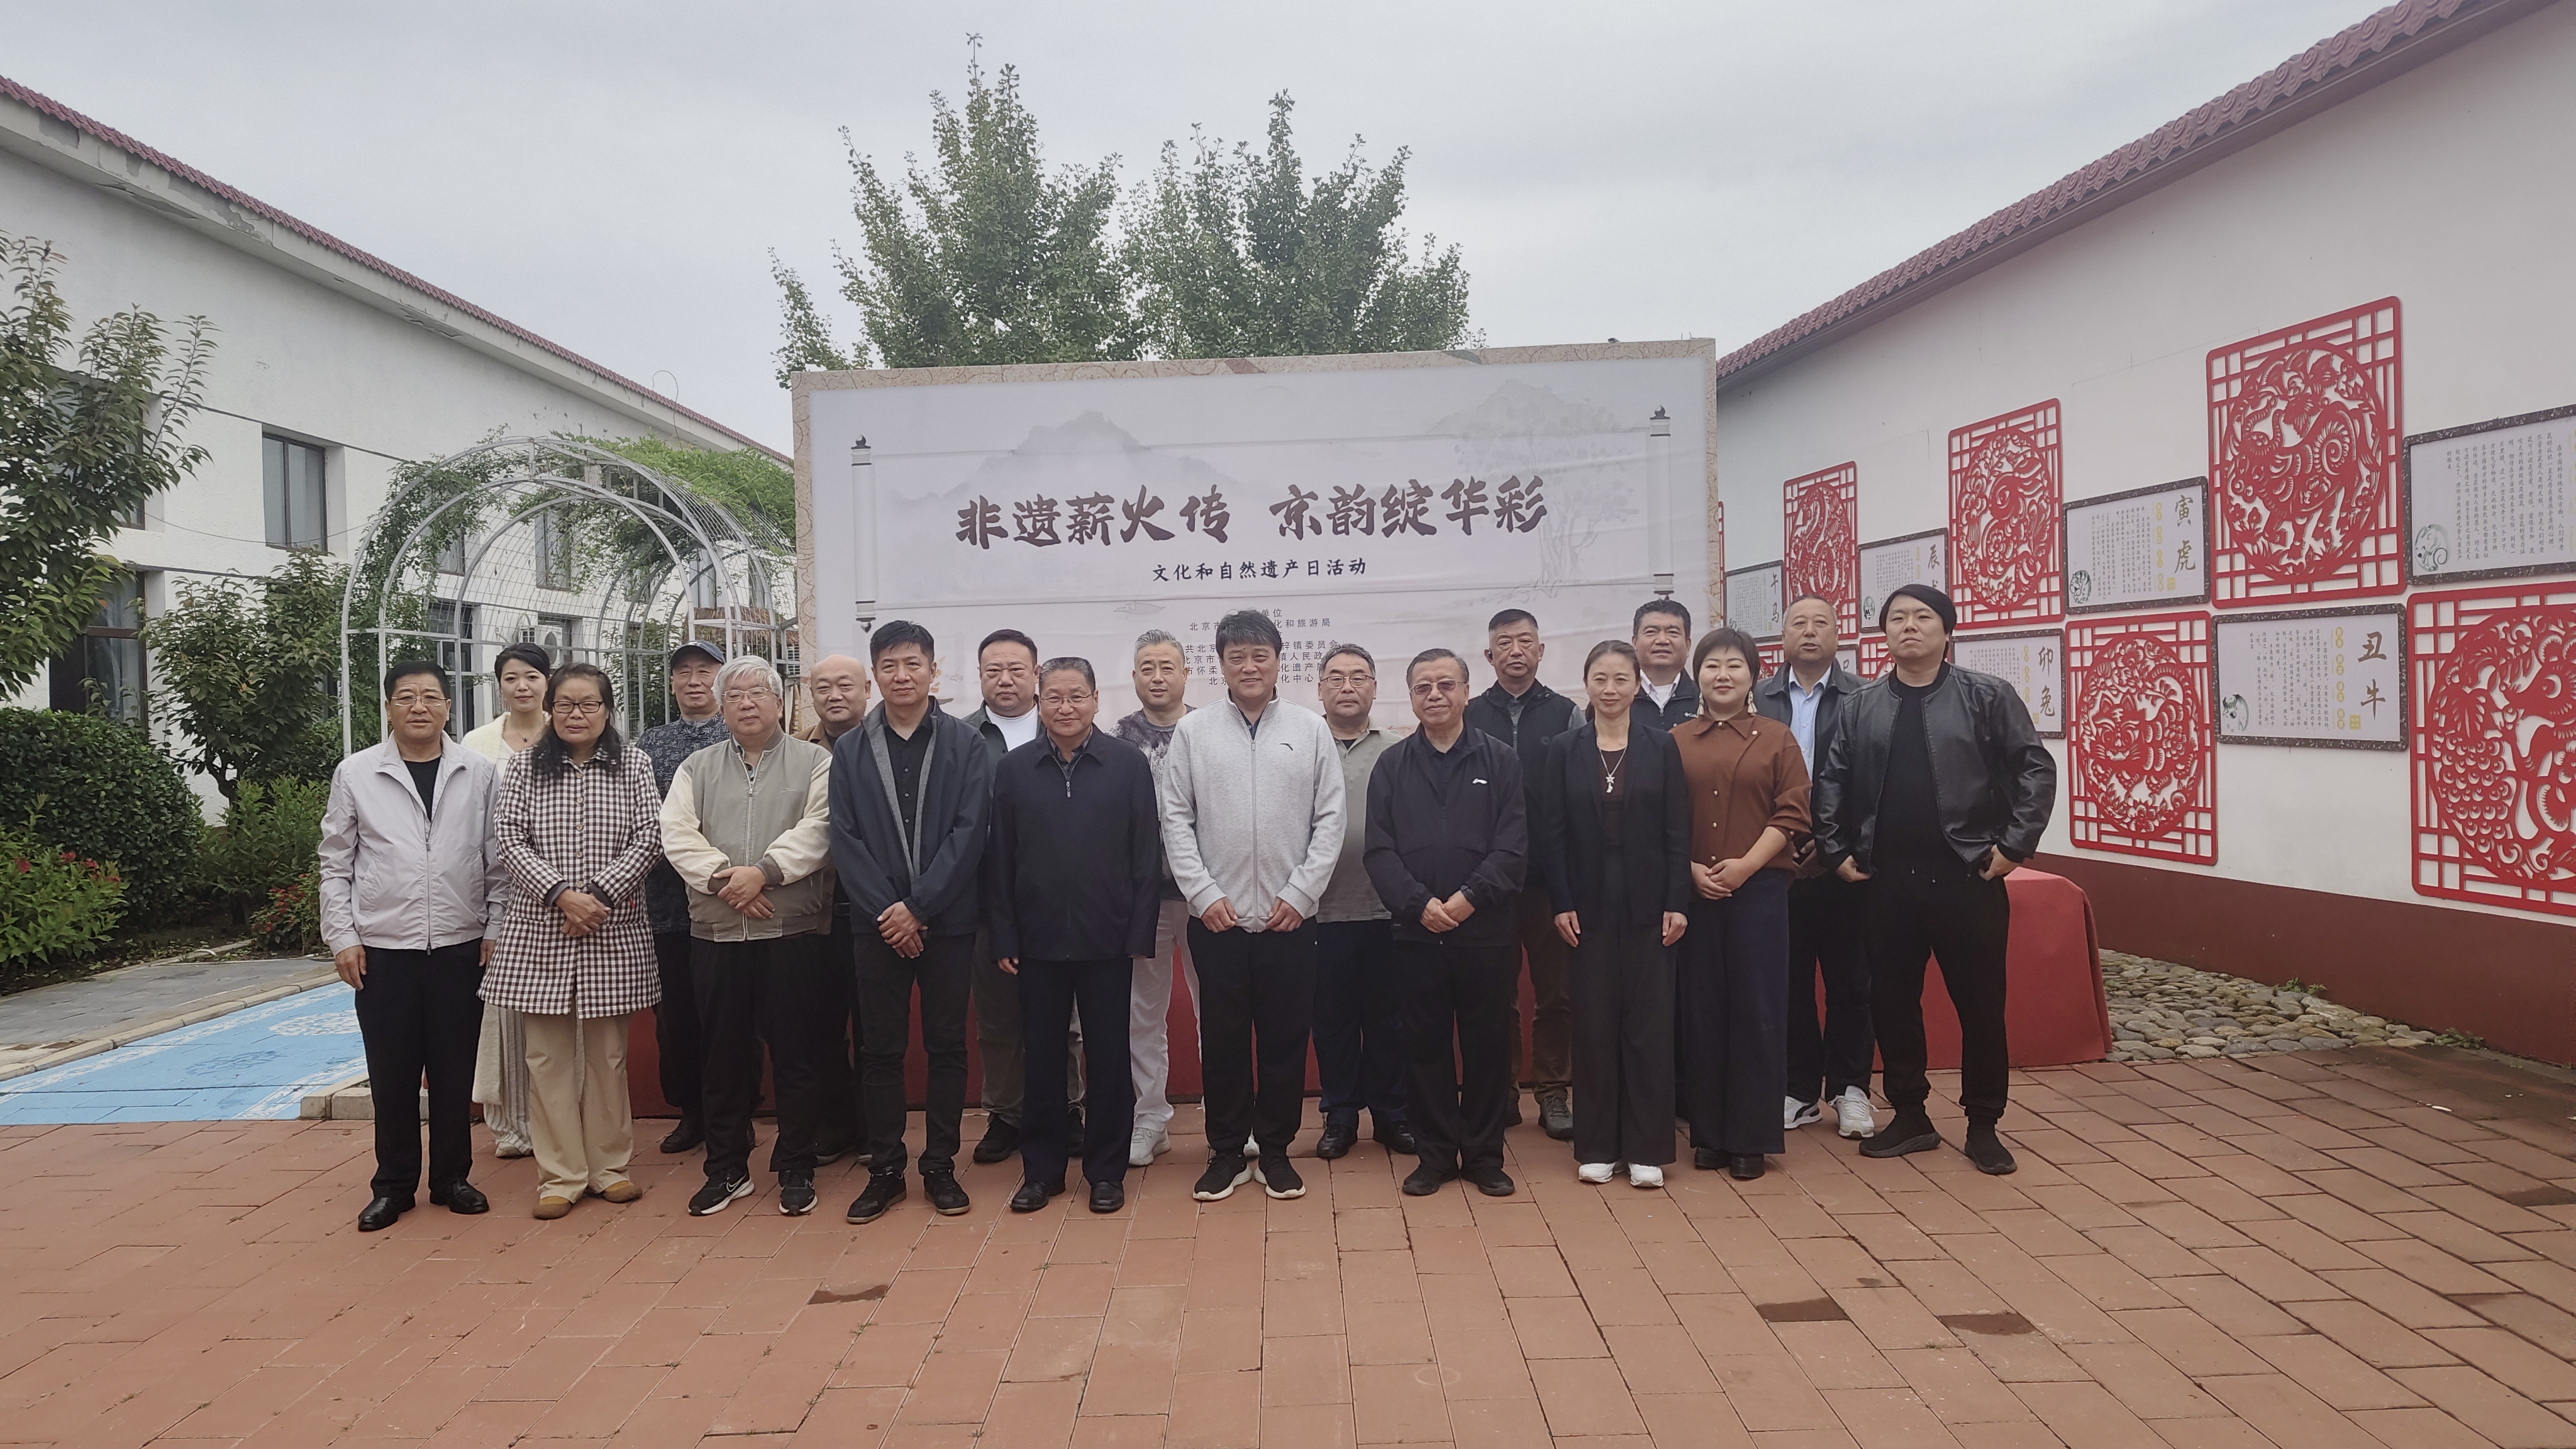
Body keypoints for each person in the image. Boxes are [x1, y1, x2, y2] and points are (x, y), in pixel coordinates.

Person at [1815, 584, 2055, 1176]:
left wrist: (2014, 846)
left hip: (1966, 875)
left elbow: (2034, 768)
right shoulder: (1860, 706)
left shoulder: (1986, 696)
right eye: (1897, 618)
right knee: (1893, 1002)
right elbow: (1831, 780)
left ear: (1947, 631)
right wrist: (1835, 849)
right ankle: (1911, 1115)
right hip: (1885, 880)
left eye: (1923, 617)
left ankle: (1983, 1123)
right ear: (1884, 634)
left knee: (1981, 1004)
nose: (1909, 626)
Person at [1159, 609, 1343, 1202]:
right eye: (1236, 656)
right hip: (1219, 920)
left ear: (1279, 661)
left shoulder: (1310, 730)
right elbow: (1176, 819)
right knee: (1224, 1041)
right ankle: (1225, 1151)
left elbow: (1330, 819)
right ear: (1220, 665)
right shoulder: (1194, 732)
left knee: (1286, 1040)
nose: (1249, 666)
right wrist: (1204, 894)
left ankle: (1277, 1150)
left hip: (1291, 919)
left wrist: (1301, 893)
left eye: (1259, 655)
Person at [319, 661, 506, 1233]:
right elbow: (335, 863)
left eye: (430, 697)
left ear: (449, 707)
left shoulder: (478, 772)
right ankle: (394, 1186)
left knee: (454, 1072)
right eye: (406, 697)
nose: (418, 707)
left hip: (459, 946)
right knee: (392, 1075)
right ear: (388, 708)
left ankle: (452, 1179)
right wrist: (343, 937)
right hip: (383, 950)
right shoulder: (357, 774)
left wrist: (495, 927)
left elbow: (496, 858)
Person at [483, 663, 666, 1219]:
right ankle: (560, 1176)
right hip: (543, 929)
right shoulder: (524, 768)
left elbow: (650, 837)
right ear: (550, 710)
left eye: (588, 704)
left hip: (611, 926)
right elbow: (509, 839)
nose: (576, 714)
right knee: (547, 1058)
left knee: (608, 1057)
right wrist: (563, 895)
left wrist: (598, 897)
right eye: (565, 704)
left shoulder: (634, 763)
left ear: (607, 710)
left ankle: (609, 1168)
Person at [660, 656, 840, 1216]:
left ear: (780, 703)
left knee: (797, 1056)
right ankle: (727, 1168)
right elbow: (677, 834)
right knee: (723, 1058)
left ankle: (797, 1165)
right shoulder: (696, 767)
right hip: (717, 934)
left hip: (792, 931)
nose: (746, 703)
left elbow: (820, 830)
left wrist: (762, 873)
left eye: (758, 693)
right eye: (734, 694)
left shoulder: (816, 762)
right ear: (721, 706)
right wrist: (728, 881)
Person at [833, 621, 994, 1223]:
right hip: (877, 926)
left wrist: (919, 907)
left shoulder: (965, 743)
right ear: (875, 675)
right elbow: (844, 838)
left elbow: (970, 832)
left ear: (933, 670)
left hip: (947, 922)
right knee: (880, 1049)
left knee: (947, 1045)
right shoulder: (850, 749)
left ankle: (941, 1165)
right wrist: (890, 912)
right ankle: (885, 1170)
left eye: (913, 664)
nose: (902, 676)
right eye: (890, 666)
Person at [988, 658, 1158, 1216]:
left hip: (1108, 939)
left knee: (1109, 1057)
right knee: (1041, 1058)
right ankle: (1042, 1171)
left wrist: (1139, 932)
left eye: (1077, 696)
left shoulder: (1127, 764)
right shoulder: (1014, 769)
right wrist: (1005, 935)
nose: (1066, 708)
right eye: (1055, 698)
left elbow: (1144, 854)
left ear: (1096, 701)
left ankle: (1106, 1172)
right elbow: (1000, 857)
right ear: (1040, 704)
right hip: (1036, 942)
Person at [1367, 648, 1528, 1199]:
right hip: (1417, 934)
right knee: (1425, 1045)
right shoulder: (1392, 765)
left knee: (1487, 1046)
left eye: (1445, 685)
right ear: (1411, 697)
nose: (1434, 695)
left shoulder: (1501, 760)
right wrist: (1419, 904)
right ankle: (1434, 1155)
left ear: (1466, 691)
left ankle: (1484, 1156)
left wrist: (1467, 899)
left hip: (1486, 932)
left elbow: (1513, 847)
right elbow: (1379, 851)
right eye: (1423, 687)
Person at [1536, 641, 1690, 1189]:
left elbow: (1678, 829)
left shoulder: (1661, 745)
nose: (1610, 688)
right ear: (1587, 684)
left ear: (1636, 685)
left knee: (1649, 1023)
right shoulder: (1564, 749)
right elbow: (1552, 833)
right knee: (1595, 1022)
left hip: (1650, 899)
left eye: (1621, 678)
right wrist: (1561, 901)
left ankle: (1647, 1148)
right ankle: (1599, 1145)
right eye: (1600, 678)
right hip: (1587, 902)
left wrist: (1678, 900)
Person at [1670, 627, 1811, 1181]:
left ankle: (1751, 1138)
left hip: (1759, 893)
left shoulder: (1777, 738)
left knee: (1757, 1010)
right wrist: (1690, 870)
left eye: (1734, 665)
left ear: (1754, 676)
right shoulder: (1675, 740)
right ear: (1698, 676)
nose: (1722, 675)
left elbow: (1793, 813)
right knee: (1701, 1012)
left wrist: (1747, 865)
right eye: (1712, 666)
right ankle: (1708, 1134)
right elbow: (1658, 817)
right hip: (1694, 893)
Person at [961, 628, 1083, 1167]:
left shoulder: (1064, 728)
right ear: (979, 676)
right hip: (986, 899)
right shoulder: (961, 738)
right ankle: (1007, 1114)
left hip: (1059, 899)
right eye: (994, 670)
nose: (1005, 680)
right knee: (998, 1017)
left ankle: (1069, 1108)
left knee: (1067, 1019)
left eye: (1016, 669)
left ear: (1036, 674)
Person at [1755, 596, 1874, 1140]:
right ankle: (1799, 1090)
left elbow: (1869, 784)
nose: (1809, 632)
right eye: (1798, 623)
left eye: (1820, 623)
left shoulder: (1864, 698)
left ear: (1838, 634)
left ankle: (1851, 1089)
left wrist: (1832, 848)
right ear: (1782, 636)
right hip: (1773, 860)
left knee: (1852, 981)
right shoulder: (1759, 698)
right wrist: (1780, 847)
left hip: (1843, 864)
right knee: (1789, 982)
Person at [1462, 609, 1579, 1140]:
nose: (1516, 651)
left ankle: (1553, 1090)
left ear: (1541, 650)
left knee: (1556, 993)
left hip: (1549, 880)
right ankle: (1503, 1089)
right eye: (1505, 643)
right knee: (1495, 993)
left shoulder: (1567, 714)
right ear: (1489, 656)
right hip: (1488, 882)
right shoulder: (1469, 714)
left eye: (1525, 641)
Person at [1311, 644, 1412, 1162]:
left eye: (1358, 677)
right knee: (1332, 1022)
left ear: (1375, 687)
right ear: (1320, 689)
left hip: (1386, 908)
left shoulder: (1400, 749)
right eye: (1336, 677)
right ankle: (1341, 1116)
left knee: (1389, 1020)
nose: (1347, 686)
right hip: (1319, 910)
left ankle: (1393, 1116)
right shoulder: (1303, 746)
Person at [635, 642, 733, 1155]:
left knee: (731, 1014)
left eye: (705, 671)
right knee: (676, 1017)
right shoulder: (651, 743)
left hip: (730, 900)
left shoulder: (737, 734)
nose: (694, 681)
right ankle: (690, 1111)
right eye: (684, 673)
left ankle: (733, 1113)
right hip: (668, 907)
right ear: (672, 683)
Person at [460, 642, 552, 1163]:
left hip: (563, 896)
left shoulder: (569, 733)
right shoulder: (477, 744)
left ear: (547, 682)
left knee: (558, 1017)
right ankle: (512, 1125)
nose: (522, 686)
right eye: (512, 677)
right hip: (503, 896)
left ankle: (559, 1120)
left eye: (532, 676)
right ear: (499, 686)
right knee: (507, 1015)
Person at [1110, 630, 1196, 1168]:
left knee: (1220, 1009)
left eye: (1167, 667)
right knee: (1142, 1013)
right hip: (1142, 898)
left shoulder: (1213, 730)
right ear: (1135, 677)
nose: (1158, 677)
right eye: (1147, 668)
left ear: (1186, 673)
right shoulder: (1115, 740)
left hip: (1209, 896)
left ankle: (1229, 1115)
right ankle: (1150, 1118)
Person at [801, 654, 874, 1166]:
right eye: (823, 687)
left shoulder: (885, 747)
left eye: (845, 685)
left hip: (871, 909)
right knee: (820, 1026)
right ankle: (835, 1122)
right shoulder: (796, 752)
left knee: (875, 1028)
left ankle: (873, 1125)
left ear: (866, 689)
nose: (834, 695)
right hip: (813, 910)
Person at [1631, 600, 1702, 731]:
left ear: (1688, 645)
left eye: (1673, 632)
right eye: (1651, 632)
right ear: (1635, 643)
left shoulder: (1706, 698)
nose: (1662, 640)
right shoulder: (1618, 699)